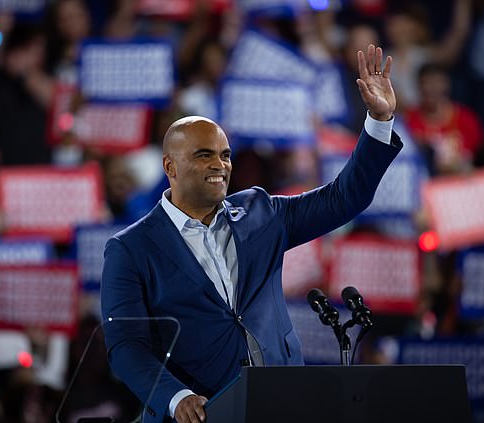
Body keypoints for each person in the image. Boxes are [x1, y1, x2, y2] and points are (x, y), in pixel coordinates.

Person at [101, 45, 402, 423]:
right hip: (203, 414)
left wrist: (379, 118)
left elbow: (345, 197)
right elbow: (126, 345)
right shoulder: (131, 248)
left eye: (225, 155)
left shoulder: (261, 213)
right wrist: (175, 397)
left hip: (282, 405)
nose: (220, 165)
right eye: (204, 155)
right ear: (169, 166)